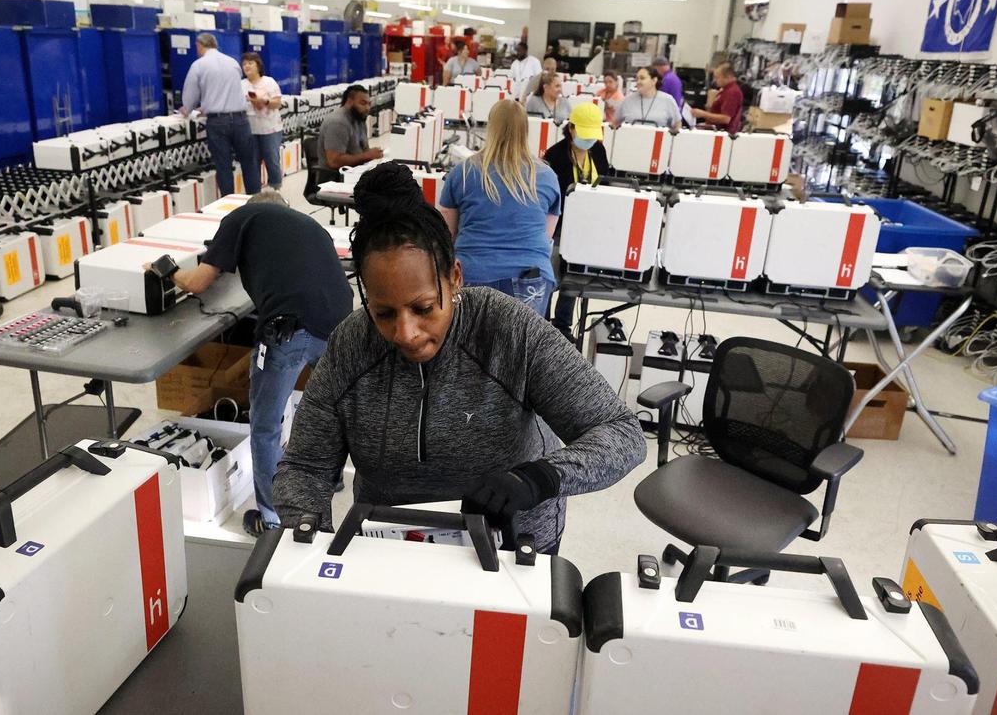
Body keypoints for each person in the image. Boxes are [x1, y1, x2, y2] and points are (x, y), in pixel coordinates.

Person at [272, 162, 646, 553]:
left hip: (512, 546)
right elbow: (305, 467)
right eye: (383, 313)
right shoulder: (352, 345)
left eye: (424, 308)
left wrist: (537, 479)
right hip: (392, 549)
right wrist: (308, 538)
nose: (406, 333)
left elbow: (621, 432)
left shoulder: (507, 330)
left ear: (455, 277)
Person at [159, 193, 353, 536]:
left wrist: (168, 270)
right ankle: (332, 481)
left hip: (288, 329)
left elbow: (199, 282)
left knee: (265, 427)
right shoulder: (311, 226)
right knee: (328, 413)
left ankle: (273, 517)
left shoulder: (241, 217)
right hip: (339, 325)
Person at [438, 100, 562, 316]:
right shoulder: (546, 176)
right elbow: (546, 234)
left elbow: (446, 232)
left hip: (472, 272)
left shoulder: (463, 172)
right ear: (525, 130)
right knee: (522, 348)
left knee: (468, 345)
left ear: (490, 127)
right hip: (531, 277)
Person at [541, 103, 613, 340]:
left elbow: (607, 182)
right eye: (585, 135)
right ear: (571, 129)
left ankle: (563, 327)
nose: (589, 140)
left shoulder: (598, 152)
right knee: (551, 277)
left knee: (573, 279)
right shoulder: (555, 156)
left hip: (586, 227)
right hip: (558, 226)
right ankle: (542, 326)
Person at [181, 33, 261, 196]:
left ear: (200, 46)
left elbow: (190, 94)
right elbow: (229, 88)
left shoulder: (199, 65)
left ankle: (229, 204)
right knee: (249, 162)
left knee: (223, 165)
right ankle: (256, 200)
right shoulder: (232, 63)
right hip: (240, 120)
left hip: (217, 122)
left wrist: (187, 109)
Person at [241, 52, 284, 191]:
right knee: (253, 162)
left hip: (270, 128)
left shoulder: (269, 82)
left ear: (258, 65)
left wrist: (263, 101)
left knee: (272, 160)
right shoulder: (241, 85)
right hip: (250, 130)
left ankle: (275, 189)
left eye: (250, 63)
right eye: (244, 64)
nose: (247, 66)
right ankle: (255, 192)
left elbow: (277, 103)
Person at [317, 85, 384, 170]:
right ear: (349, 102)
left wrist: (371, 154)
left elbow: (364, 150)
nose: (367, 108)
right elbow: (334, 161)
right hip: (336, 177)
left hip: (356, 170)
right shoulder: (338, 123)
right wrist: (367, 156)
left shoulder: (359, 118)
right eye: (363, 103)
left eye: (369, 104)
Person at [613, 67, 681, 128]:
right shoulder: (628, 100)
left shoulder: (668, 100)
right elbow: (615, 123)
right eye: (637, 79)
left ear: (654, 80)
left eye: (642, 78)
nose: (638, 82)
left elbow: (677, 124)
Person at [692, 62, 744, 134]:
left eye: (717, 77)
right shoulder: (725, 90)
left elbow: (726, 119)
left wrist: (703, 114)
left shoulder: (732, 92)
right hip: (714, 130)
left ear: (728, 77)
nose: (715, 80)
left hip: (721, 135)